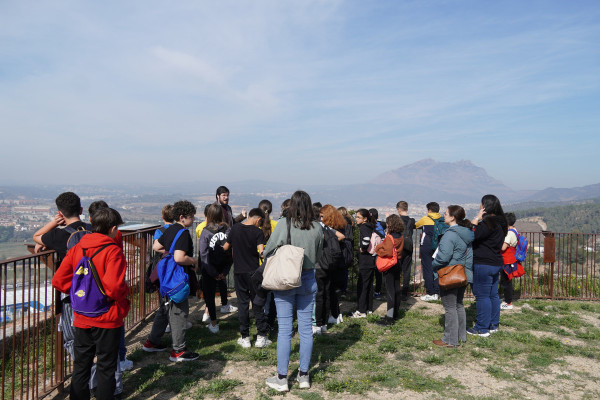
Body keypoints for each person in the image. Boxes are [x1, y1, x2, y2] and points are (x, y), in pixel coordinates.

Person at [51, 207, 130, 400]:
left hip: (82, 315)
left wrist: (82, 292)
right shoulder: (113, 251)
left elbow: (59, 281)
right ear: (112, 229)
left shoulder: (78, 247)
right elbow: (113, 287)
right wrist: (124, 298)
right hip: (107, 316)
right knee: (106, 366)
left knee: (81, 366)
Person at [264, 190, 323, 392]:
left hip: (286, 279)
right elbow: (319, 253)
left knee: (285, 330)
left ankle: (282, 378)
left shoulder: (285, 224)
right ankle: (304, 375)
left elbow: (268, 249)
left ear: (292, 205)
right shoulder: (317, 227)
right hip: (307, 278)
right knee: (306, 330)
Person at [143, 200, 200, 361]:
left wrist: (168, 253)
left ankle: (152, 342)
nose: (193, 220)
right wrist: (193, 261)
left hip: (165, 278)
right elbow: (179, 257)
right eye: (191, 217)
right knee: (179, 313)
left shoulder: (170, 229)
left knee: (164, 309)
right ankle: (179, 351)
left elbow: (156, 247)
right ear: (182, 217)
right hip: (177, 278)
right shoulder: (183, 233)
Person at [223, 208, 271, 348]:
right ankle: (261, 336)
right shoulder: (257, 232)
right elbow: (262, 252)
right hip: (253, 273)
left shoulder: (235, 228)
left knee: (242, 304)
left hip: (238, 272)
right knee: (257, 303)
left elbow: (225, 247)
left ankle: (245, 338)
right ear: (258, 219)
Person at [431, 206, 474, 347]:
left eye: (446, 213)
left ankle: (450, 340)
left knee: (450, 308)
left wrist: (433, 264)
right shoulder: (466, 233)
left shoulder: (450, 234)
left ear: (452, 217)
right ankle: (461, 336)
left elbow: (443, 257)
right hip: (462, 273)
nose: (443, 215)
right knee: (458, 305)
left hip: (449, 274)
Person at [468, 194, 507, 337]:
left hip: (483, 263)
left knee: (482, 296)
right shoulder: (502, 223)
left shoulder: (487, 223)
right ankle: (493, 324)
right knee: (493, 295)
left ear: (484, 206)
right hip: (496, 262)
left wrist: (476, 220)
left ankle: (481, 328)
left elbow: (472, 235)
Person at [196, 205, 237, 324]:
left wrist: (212, 272)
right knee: (212, 293)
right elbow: (231, 252)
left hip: (209, 268)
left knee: (209, 296)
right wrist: (224, 272)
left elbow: (203, 253)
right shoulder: (228, 230)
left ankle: (213, 322)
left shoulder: (206, 231)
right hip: (223, 266)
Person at [314, 205, 346, 334]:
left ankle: (317, 323)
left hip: (319, 264)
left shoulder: (317, 228)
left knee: (319, 295)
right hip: (329, 265)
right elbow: (341, 236)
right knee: (326, 293)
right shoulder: (328, 229)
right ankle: (324, 323)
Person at [33, 191, 89, 259]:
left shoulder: (57, 235)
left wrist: (55, 222)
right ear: (81, 210)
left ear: (60, 214)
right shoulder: (94, 229)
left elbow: (36, 236)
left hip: (74, 269)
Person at [375, 214, 404, 326]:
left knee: (390, 290)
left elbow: (386, 251)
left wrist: (378, 248)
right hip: (398, 262)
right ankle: (395, 313)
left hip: (390, 265)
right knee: (396, 289)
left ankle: (389, 317)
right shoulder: (400, 236)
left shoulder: (389, 237)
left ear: (390, 224)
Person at [415, 202, 442, 301]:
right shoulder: (441, 220)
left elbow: (415, 225)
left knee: (427, 269)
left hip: (426, 245)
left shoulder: (425, 219)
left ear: (429, 210)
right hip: (439, 247)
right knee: (437, 269)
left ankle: (430, 293)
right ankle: (437, 291)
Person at [352, 208, 376, 318]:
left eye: (358, 217)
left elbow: (366, 239)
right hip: (371, 260)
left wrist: (362, 248)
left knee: (362, 284)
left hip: (365, 260)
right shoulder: (370, 226)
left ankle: (361, 310)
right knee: (369, 285)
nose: (356, 219)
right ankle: (369, 308)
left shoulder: (364, 227)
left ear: (365, 219)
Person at [396, 201, 415, 301]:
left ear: (399, 209)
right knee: (406, 270)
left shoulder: (398, 220)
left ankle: (396, 291)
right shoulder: (412, 221)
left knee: (397, 269)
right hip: (409, 246)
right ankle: (405, 293)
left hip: (399, 246)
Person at [500, 213, 518, 310]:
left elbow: (503, 247)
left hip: (507, 260)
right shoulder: (514, 230)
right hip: (511, 259)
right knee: (507, 281)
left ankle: (508, 302)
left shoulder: (509, 233)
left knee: (506, 281)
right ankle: (507, 299)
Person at [337, 206, 354, 298]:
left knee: (340, 268)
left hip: (343, 246)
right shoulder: (350, 222)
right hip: (349, 247)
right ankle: (344, 288)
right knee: (345, 269)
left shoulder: (342, 223)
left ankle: (340, 288)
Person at [369, 208, 386, 298]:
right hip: (380, 251)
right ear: (378, 216)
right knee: (378, 273)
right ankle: (377, 291)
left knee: (370, 273)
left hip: (370, 251)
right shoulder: (381, 224)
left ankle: (369, 291)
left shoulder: (367, 225)